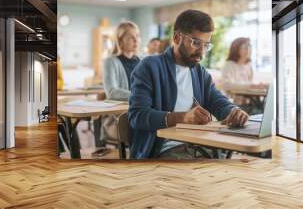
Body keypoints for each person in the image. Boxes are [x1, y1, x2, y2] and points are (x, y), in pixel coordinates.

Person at [128, 9, 248, 159]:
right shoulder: (149, 66)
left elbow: (217, 100)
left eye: (206, 45)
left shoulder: (199, 72)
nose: (202, 52)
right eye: (196, 43)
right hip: (162, 149)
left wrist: (233, 111)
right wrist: (183, 117)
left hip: (198, 144)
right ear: (177, 38)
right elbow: (137, 116)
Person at [100, 21, 141, 146]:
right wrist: (139, 96)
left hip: (141, 110)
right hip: (121, 115)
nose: (136, 40)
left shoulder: (143, 61)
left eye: (138, 36)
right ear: (120, 40)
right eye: (131, 37)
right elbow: (112, 92)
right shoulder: (110, 61)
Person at [221, 37, 267, 112]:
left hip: (249, 104)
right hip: (235, 105)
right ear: (236, 49)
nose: (248, 49)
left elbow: (250, 84)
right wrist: (250, 85)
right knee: (260, 111)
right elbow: (226, 85)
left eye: (250, 46)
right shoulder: (229, 65)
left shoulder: (249, 66)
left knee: (263, 108)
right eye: (245, 47)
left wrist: (258, 86)